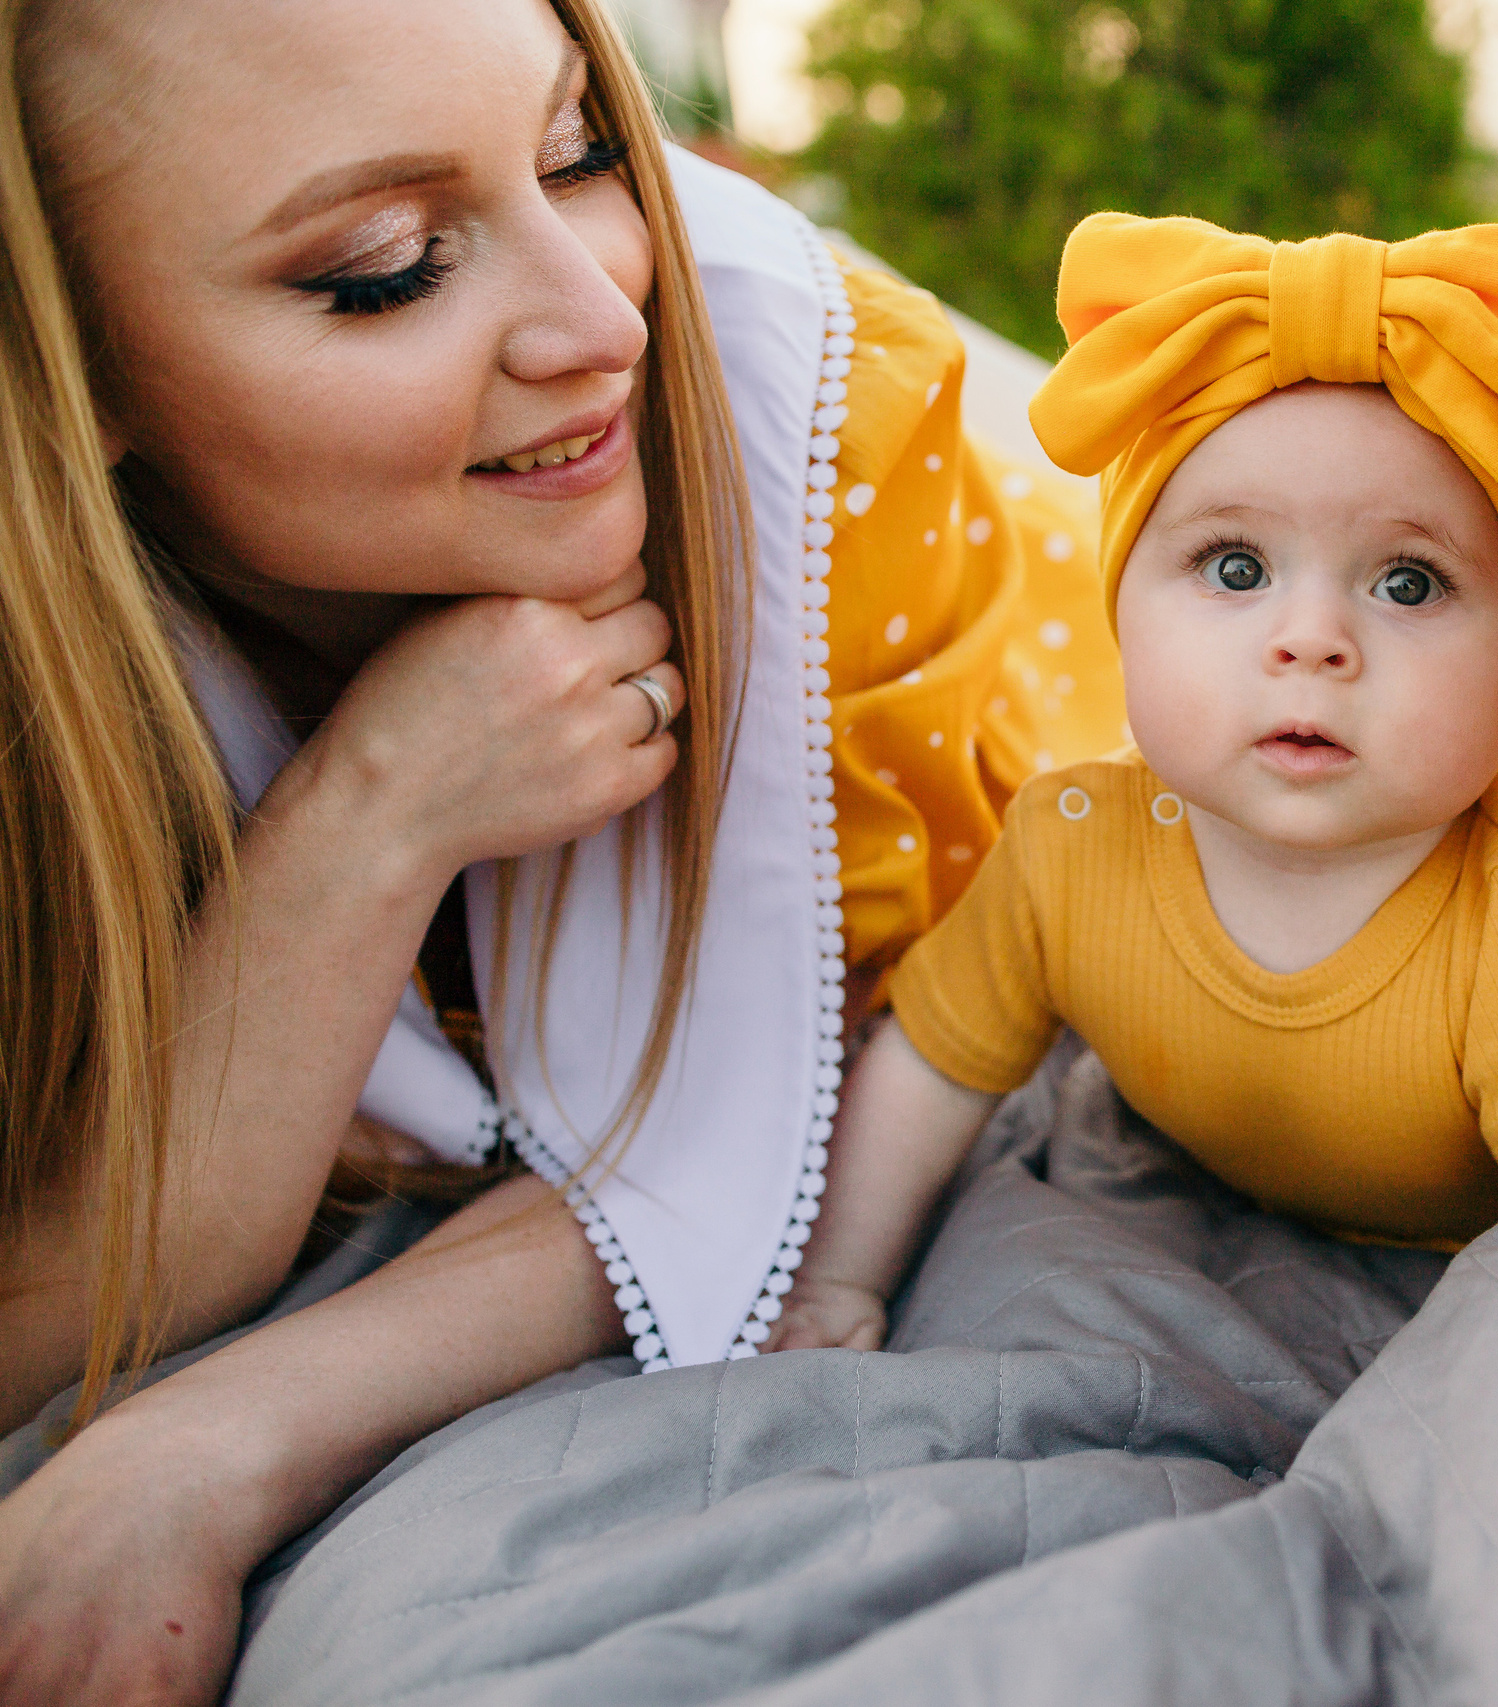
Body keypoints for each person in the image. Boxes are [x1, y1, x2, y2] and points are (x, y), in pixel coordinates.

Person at [0, 0, 1120, 1698]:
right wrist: (374, 811)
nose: (608, 317)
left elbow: (795, 1095)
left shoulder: (825, 421)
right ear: (65, 368)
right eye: (385, 271)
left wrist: (207, 1445)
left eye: (583, 150)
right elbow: (54, 1293)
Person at [769, 214, 1498, 1351]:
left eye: (1409, 584)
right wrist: (837, 1281)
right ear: (1122, 620)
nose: (1311, 639)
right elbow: (931, 1069)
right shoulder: (1068, 846)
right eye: (1235, 567)